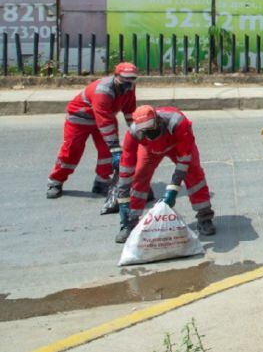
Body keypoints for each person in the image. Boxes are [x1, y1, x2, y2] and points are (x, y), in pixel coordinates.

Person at [115, 105, 215, 243]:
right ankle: (129, 223)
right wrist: (123, 199)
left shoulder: (177, 123)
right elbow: (126, 167)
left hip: (177, 146)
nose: (149, 132)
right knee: (139, 177)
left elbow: (185, 158)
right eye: (145, 130)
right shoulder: (133, 133)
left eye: (151, 127)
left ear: (158, 120)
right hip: (149, 150)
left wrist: (173, 189)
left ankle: (205, 217)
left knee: (194, 174)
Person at [47, 62, 138, 199]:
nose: (128, 82)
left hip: (105, 117)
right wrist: (114, 147)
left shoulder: (129, 88)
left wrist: (136, 132)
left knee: (107, 152)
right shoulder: (103, 90)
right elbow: (104, 121)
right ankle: (55, 181)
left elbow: (130, 111)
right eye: (125, 78)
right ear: (116, 76)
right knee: (71, 151)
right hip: (80, 118)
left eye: (132, 78)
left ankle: (102, 181)